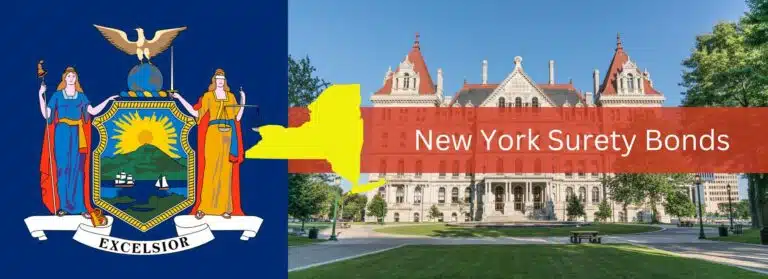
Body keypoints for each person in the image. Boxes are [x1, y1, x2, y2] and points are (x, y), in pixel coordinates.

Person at [39, 67, 118, 218]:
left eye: (73, 76)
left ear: (76, 79)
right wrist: (40, 95)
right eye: (68, 76)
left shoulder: (81, 97)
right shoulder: (57, 96)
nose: (71, 78)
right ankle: (61, 207)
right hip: (62, 134)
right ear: (64, 78)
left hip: (77, 135)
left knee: (78, 170)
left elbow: (92, 111)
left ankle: (80, 207)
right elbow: (46, 115)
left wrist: (108, 101)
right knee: (62, 169)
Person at [174, 68, 246, 219]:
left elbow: (237, 117)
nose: (220, 82)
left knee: (225, 172)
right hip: (213, 134)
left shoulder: (231, 97)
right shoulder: (208, 96)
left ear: (225, 81)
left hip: (228, 135)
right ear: (214, 81)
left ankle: (225, 209)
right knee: (210, 171)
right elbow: (196, 113)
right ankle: (204, 208)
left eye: (222, 79)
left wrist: (243, 100)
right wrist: (179, 98)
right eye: (218, 79)